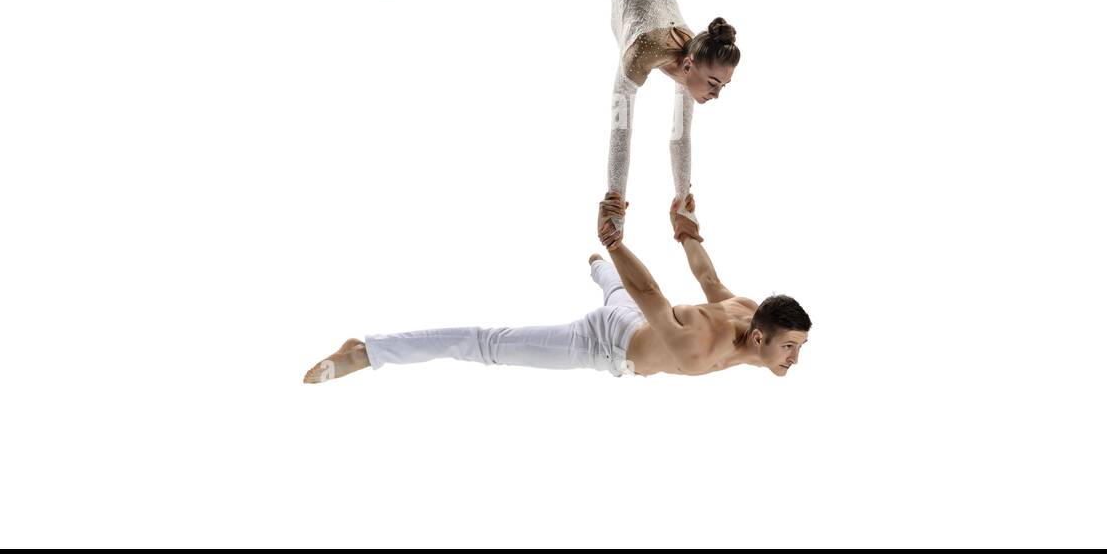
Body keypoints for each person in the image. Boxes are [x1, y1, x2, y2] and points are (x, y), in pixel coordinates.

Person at [371, 0, 766, 245]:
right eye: (715, 83)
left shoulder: (690, 58)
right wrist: (614, 202)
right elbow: (621, 129)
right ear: (691, 63)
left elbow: (680, 137)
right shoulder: (643, 53)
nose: (715, 94)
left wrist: (683, 198)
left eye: (722, 87)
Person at [302, 194, 809, 383]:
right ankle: (368, 351)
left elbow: (707, 279)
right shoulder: (700, 349)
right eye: (790, 348)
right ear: (761, 338)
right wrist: (613, 240)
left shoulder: (749, 309)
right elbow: (651, 293)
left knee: (618, 296)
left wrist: (687, 230)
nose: (794, 359)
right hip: (608, 343)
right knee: (487, 346)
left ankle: (599, 270)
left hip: (638, 321)